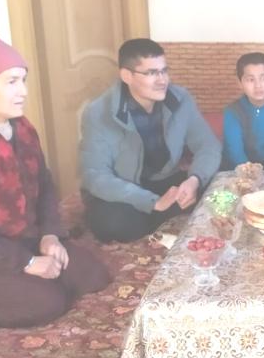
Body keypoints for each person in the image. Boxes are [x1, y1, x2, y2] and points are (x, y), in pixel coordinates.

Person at [0, 33, 111, 328]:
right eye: (11, 82)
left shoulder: (22, 127)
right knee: (46, 302)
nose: (23, 91)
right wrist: (26, 263)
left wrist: (50, 235)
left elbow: (45, 184)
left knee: (92, 275)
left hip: (26, 240)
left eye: (23, 80)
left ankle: (34, 278)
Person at [80, 38, 220, 242]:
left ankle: (165, 214)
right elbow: (96, 176)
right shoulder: (98, 113)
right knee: (114, 224)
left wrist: (194, 180)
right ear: (127, 76)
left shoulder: (180, 98)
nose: (162, 80)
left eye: (164, 71)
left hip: (166, 181)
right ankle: (164, 214)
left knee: (221, 186)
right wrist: (152, 202)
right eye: (152, 73)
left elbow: (208, 145)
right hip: (125, 189)